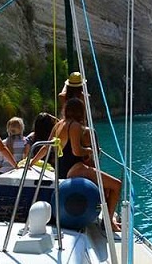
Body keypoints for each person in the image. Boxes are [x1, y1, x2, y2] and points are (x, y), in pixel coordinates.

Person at [50, 98, 122, 232]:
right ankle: (109, 223)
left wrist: (31, 161)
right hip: (75, 169)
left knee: (105, 185)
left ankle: (107, 218)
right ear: (80, 112)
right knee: (116, 185)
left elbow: (46, 147)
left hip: (61, 170)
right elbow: (76, 151)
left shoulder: (58, 125)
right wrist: (90, 150)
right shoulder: (75, 126)